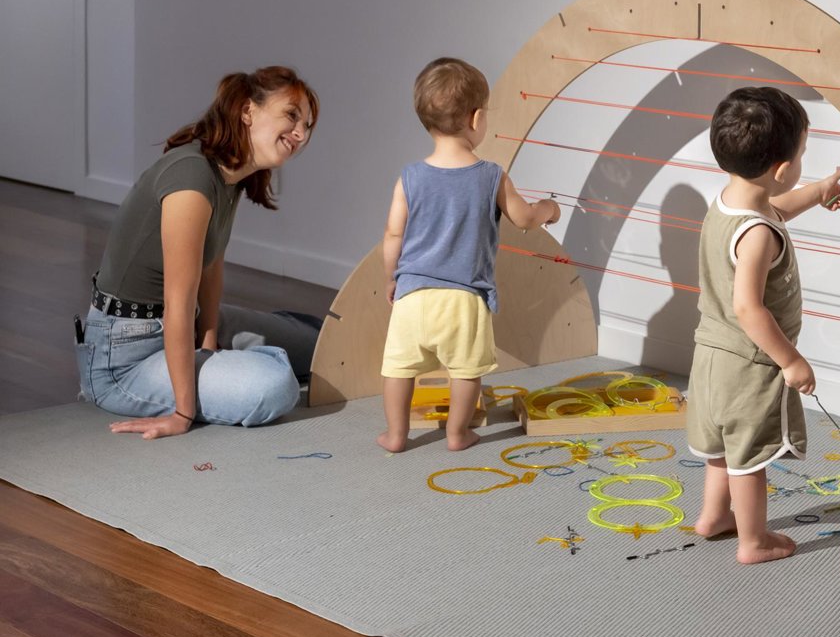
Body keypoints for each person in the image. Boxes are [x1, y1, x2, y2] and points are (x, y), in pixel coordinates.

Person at [76, 66, 322, 439]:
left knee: (321, 344)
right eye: (291, 115)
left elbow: (211, 268)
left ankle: (242, 360)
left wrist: (206, 347)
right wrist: (182, 413)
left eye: (307, 125)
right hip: (123, 356)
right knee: (275, 387)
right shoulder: (192, 177)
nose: (301, 134)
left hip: (179, 323)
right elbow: (178, 301)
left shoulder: (232, 177)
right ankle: (246, 366)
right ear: (248, 110)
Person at [686, 86, 840, 564]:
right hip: (749, 364)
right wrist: (791, 360)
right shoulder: (757, 234)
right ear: (781, 170)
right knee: (750, 457)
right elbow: (748, 308)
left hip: (709, 354)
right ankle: (754, 541)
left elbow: (779, 209)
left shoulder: (730, 203)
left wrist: (819, 192)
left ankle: (713, 516)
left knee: (722, 446)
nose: (801, 165)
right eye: (802, 156)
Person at [377, 57, 559, 453]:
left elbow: (393, 235)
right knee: (465, 371)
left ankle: (396, 434)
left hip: (413, 295)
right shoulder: (491, 175)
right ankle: (457, 434)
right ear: (476, 118)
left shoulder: (409, 177)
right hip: (463, 298)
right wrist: (549, 208)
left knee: (399, 368)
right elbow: (525, 219)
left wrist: (393, 278)